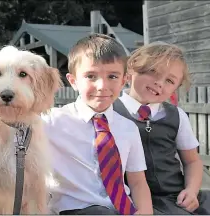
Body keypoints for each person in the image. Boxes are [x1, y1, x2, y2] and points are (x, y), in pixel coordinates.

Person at [114, 41, 210, 215]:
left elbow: (192, 161)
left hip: (174, 197)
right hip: (132, 198)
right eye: (153, 71)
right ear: (132, 68)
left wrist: (191, 191)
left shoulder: (176, 116)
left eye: (169, 80)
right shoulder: (110, 112)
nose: (159, 83)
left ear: (175, 89)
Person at [42, 34, 153, 215]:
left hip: (122, 210)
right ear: (73, 81)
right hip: (74, 209)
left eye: (112, 76)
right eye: (91, 76)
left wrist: (145, 211)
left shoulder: (128, 127)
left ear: (124, 80)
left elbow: (137, 180)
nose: (102, 85)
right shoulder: (51, 121)